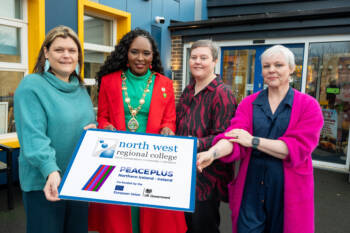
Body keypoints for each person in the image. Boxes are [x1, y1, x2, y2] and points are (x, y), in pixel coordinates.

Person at [197, 45, 324, 233]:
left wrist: (253, 141)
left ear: (291, 69)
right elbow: (234, 136)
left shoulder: (308, 106)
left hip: (288, 191)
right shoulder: (249, 103)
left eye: (278, 65)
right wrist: (212, 153)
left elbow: (297, 148)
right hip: (251, 188)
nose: (271, 70)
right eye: (266, 66)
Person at [88, 29, 187, 233]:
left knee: (151, 212)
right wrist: (106, 126)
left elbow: (170, 118)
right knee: (121, 214)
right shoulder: (110, 80)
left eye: (146, 53)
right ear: (126, 53)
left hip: (151, 158)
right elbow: (103, 115)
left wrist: (168, 128)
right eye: (134, 52)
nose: (140, 58)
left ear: (153, 56)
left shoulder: (165, 84)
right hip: (118, 155)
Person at [14, 26, 96, 233]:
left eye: (72, 50)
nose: (66, 55)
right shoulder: (32, 86)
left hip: (78, 181)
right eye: (59, 50)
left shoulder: (80, 88)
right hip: (46, 182)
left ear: (78, 55)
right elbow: (33, 136)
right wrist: (50, 170)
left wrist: (95, 133)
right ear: (46, 53)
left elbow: (84, 126)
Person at [176, 40, 236, 233]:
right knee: (185, 227)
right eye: (194, 57)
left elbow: (224, 136)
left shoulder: (222, 93)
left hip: (206, 177)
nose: (198, 62)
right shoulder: (188, 89)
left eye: (204, 58)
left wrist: (190, 144)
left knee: (203, 227)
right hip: (184, 171)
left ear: (215, 61)